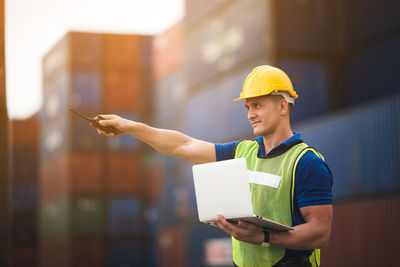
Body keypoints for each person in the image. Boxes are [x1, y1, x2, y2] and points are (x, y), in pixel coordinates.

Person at [94, 65, 333, 267]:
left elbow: (319, 233)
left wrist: (263, 236)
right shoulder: (243, 152)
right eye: (248, 107)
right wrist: (127, 126)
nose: (250, 115)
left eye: (258, 105)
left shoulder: (306, 162)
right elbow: (183, 145)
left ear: (282, 106)